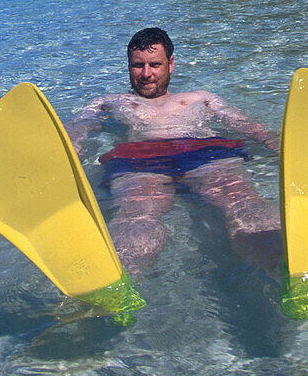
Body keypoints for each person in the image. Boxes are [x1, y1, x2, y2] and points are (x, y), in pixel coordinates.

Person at [67, 27, 281, 276]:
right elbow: (77, 128)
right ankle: (116, 282)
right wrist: (71, 148)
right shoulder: (109, 101)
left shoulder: (200, 97)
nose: (146, 74)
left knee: (240, 198)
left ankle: (279, 264)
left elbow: (246, 125)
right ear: (128, 65)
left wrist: (280, 147)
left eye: (154, 65)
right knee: (137, 214)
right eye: (138, 65)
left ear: (171, 64)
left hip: (202, 151)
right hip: (142, 158)